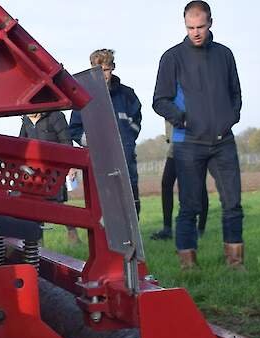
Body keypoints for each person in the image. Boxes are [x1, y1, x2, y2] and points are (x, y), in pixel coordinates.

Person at [153, 1, 244, 271]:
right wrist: (183, 119)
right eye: (190, 27)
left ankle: (236, 262)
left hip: (223, 141)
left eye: (200, 26)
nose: (195, 32)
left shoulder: (225, 55)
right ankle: (189, 266)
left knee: (233, 204)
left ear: (210, 23)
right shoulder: (172, 57)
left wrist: (231, 118)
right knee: (189, 207)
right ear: (185, 25)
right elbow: (160, 100)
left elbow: (236, 93)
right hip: (188, 143)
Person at [69, 49, 143, 216]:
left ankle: (133, 242)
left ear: (113, 67)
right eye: (99, 70)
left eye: (106, 69)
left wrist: (127, 139)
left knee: (131, 208)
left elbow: (136, 122)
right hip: (98, 162)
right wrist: (92, 140)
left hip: (126, 160)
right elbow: (74, 129)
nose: (104, 74)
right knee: (103, 211)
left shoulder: (128, 95)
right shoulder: (83, 97)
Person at [20, 111, 81, 244]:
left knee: (57, 205)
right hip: (34, 172)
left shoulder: (56, 116)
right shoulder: (26, 120)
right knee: (35, 207)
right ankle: (38, 244)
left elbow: (66, 142)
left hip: (54, 170)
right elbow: (21, 143)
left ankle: (74, 239)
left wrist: (71, 166)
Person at [150, 121, 209, 240]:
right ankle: (167, 229)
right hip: (175, 142)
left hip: (192, 141)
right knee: (166, 183)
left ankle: (200, 229)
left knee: (199, 184)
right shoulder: (168, 102)